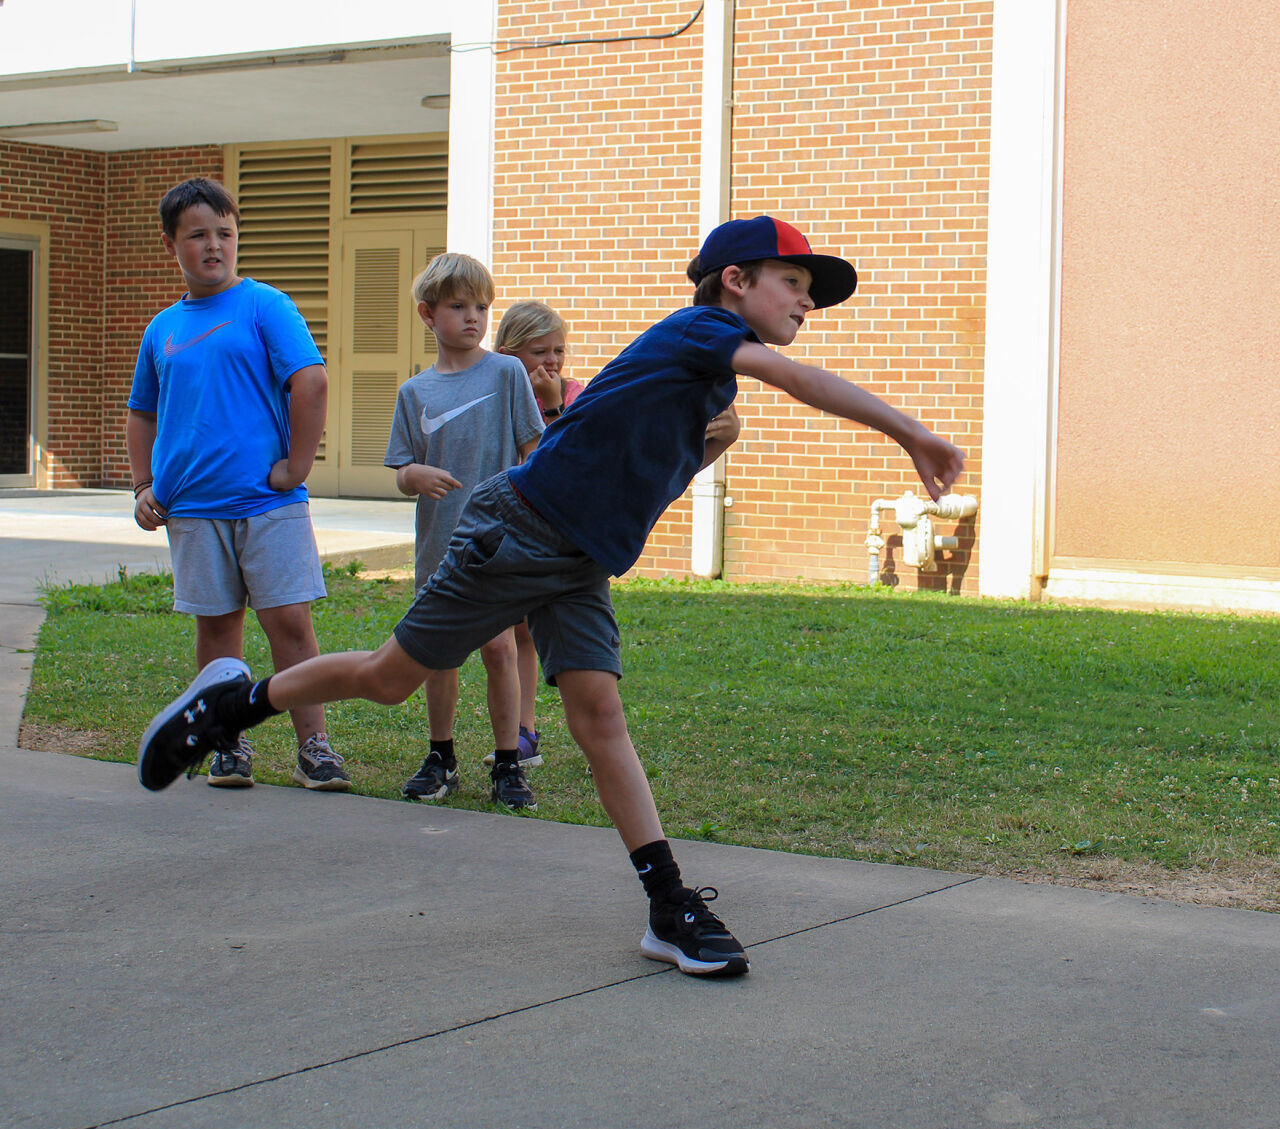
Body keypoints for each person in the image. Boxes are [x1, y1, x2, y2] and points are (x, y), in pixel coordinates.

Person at [137, 215, 966, 978]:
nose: (805, 303)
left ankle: (667, 905)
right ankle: (234, 704)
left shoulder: (704, 388)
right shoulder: (701, 332)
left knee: (598, 713)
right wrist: (910, 430)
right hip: (522, 531)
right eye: (794, 284)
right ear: (735, 282)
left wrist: (702, 445)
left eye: (810, 295)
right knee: (391, 679)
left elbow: (635, 460)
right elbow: (793, 375)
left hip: (576, 560)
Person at [126, 176, 351, 793]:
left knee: (292, 627)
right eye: (198, 235)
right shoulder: (162, 329)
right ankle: (225, 743)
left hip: (267, 505)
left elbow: (311, 382)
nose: (214, 245)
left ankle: (316, 749)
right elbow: (142, 411)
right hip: (192, 510)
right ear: (171, 243)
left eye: (225, 233)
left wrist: (297, 467)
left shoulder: (264, 306)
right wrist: (143, 484)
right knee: (218, 633)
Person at [386, 256, 545, 809]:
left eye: (481, 306)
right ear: (429, 315)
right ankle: (441, 756)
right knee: (440, 657)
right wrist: (415, 475)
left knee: (500, 649)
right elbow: (402, 470)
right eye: (459, 306)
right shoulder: (415, 392)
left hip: (497, 547)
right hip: (439, 547)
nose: (473, 317)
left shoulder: (506, 374)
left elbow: (534, 450)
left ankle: (507, 762)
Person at [489, 299, 583, 770]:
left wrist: (551, 405)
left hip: (549, 531)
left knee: (527, 631)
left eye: (558, 351)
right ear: (507, 353)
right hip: (498, 527)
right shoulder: (494, 390)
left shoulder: (575, 394)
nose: (551, 362)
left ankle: (526, 731)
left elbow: (560, 462)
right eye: (538, 352)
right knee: (496, 637)